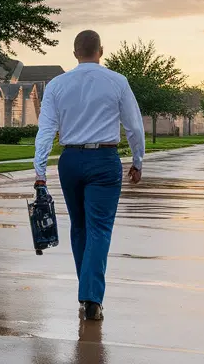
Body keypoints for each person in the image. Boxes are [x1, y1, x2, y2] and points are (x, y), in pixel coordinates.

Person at [32, 29, 145, 321]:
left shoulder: (57, 85)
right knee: (100, 229)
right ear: (101, 51)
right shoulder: (117, 82)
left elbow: (45, 130)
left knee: (80, 227)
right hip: (104, 160)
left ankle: (87, 294)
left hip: (70, 160)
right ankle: (92, 297)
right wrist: (137, 160)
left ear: (74, 53)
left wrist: (40, 171)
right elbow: (133, 125)